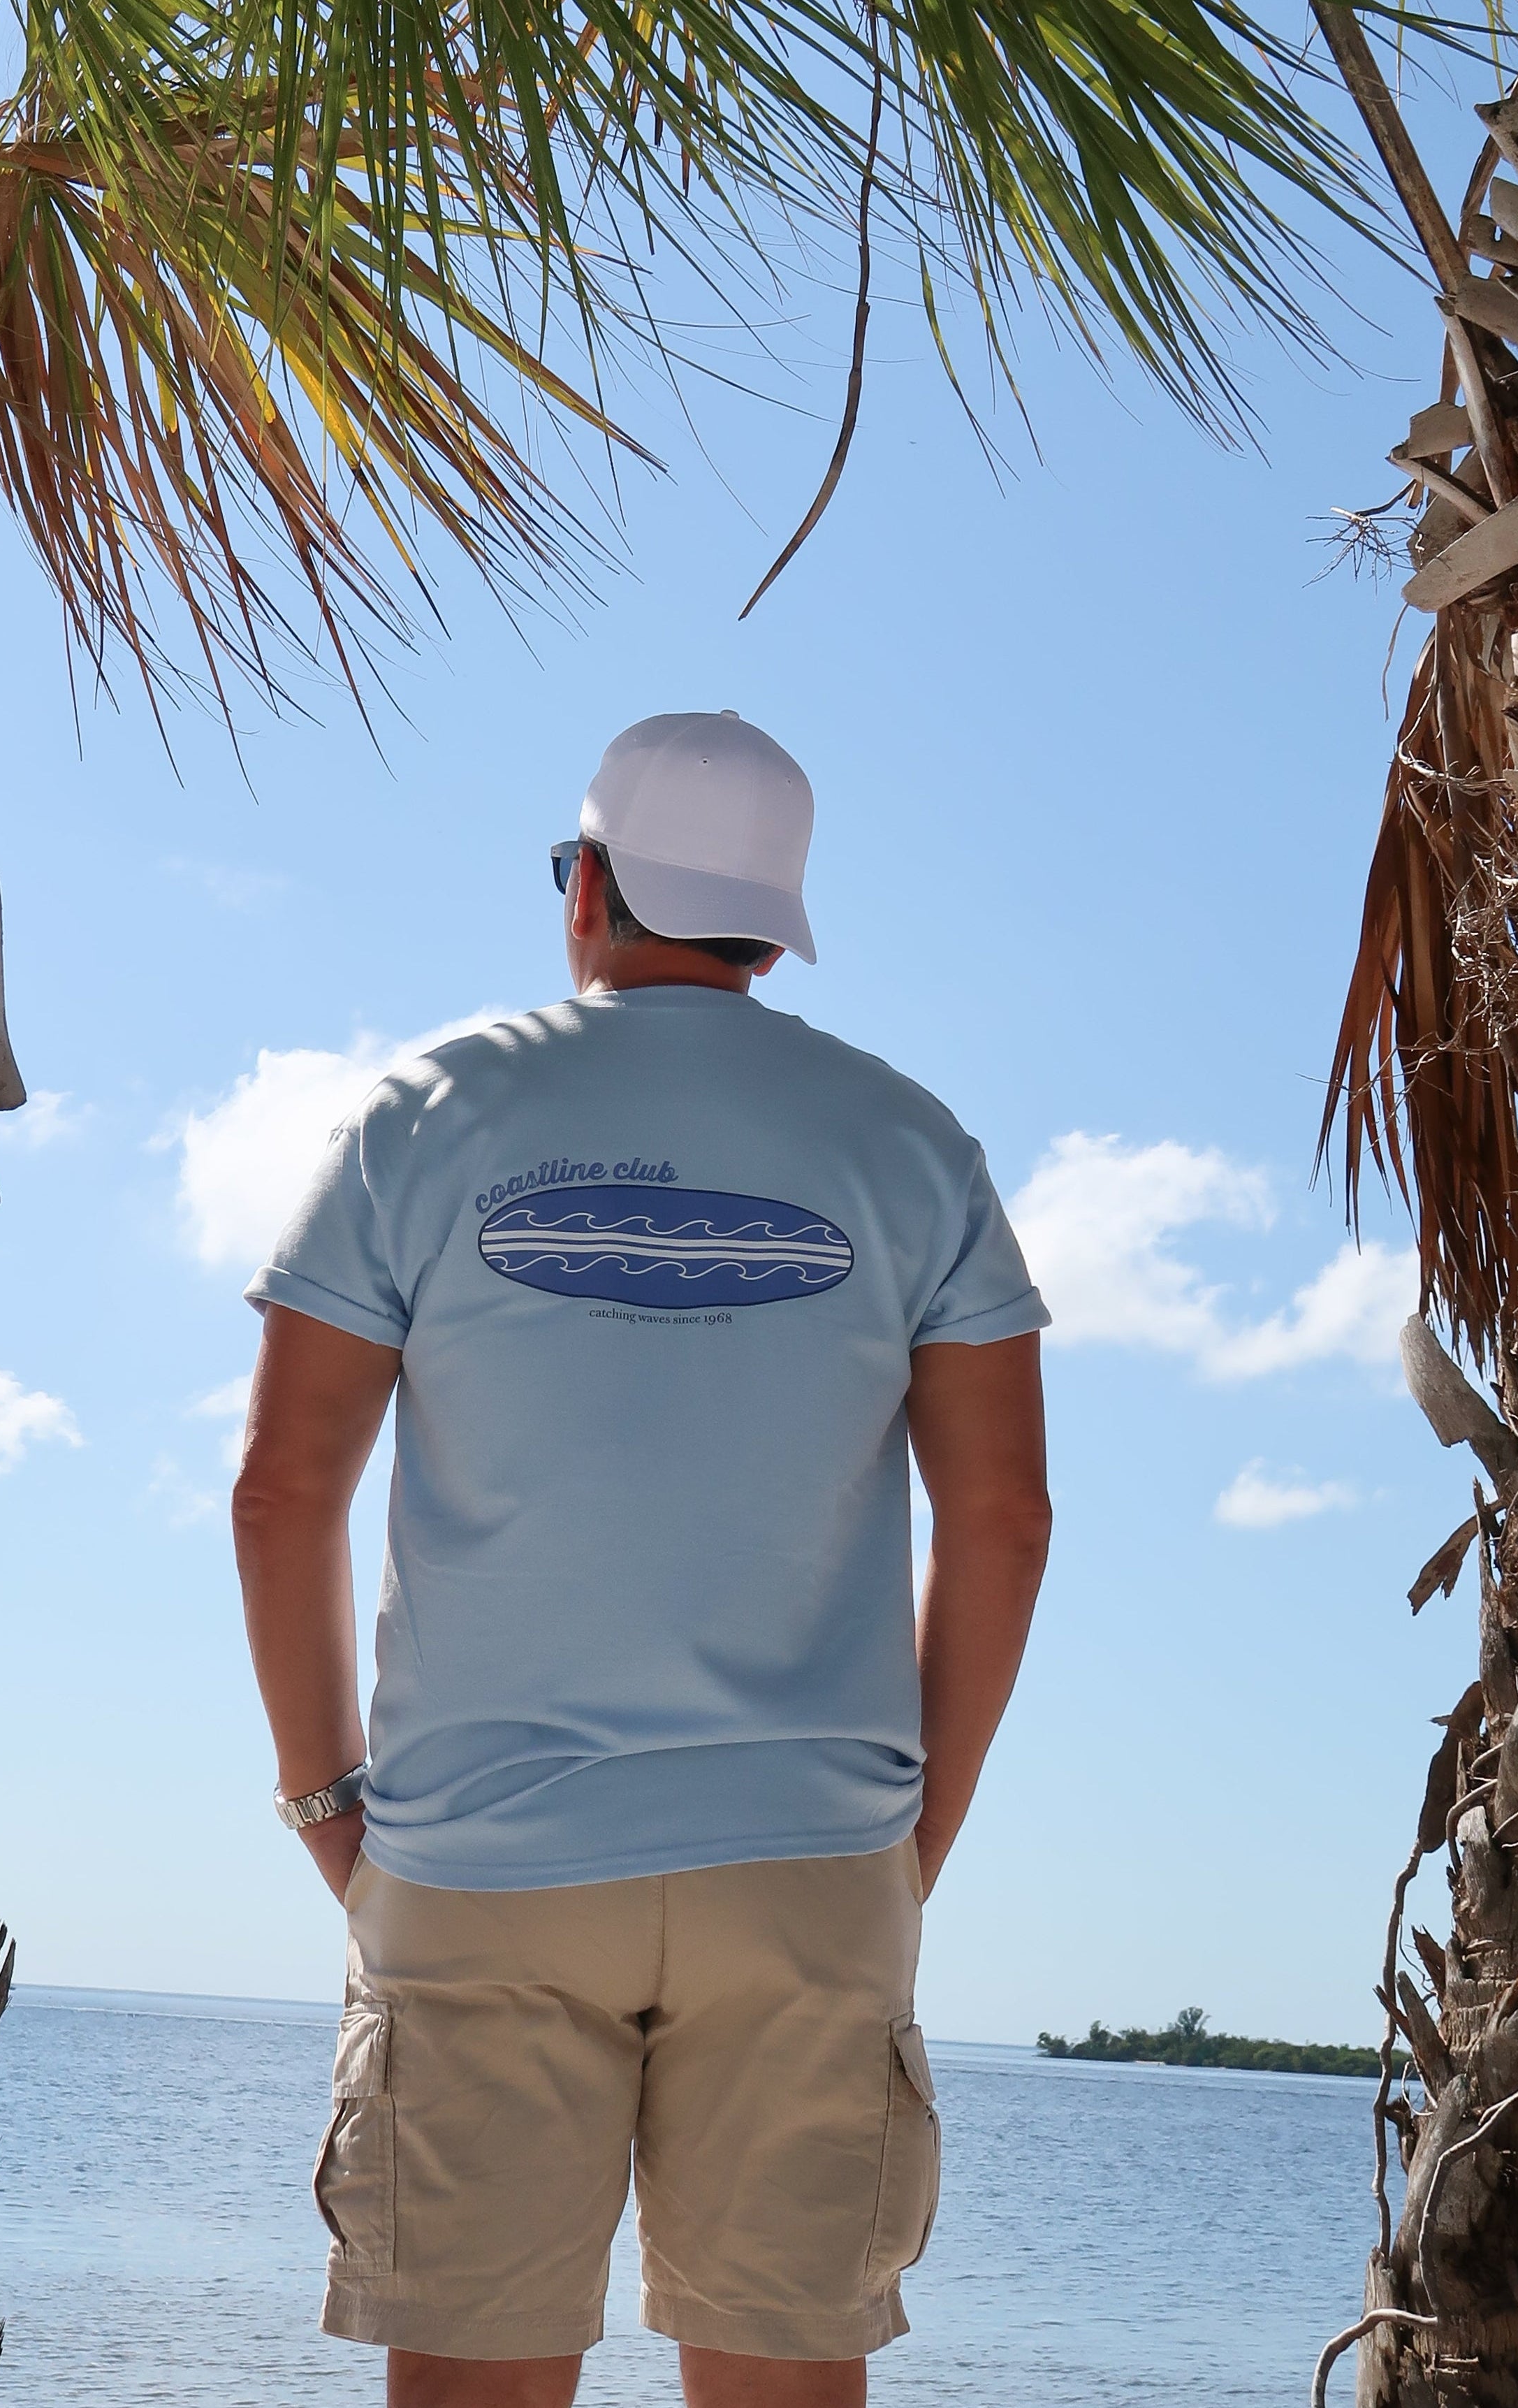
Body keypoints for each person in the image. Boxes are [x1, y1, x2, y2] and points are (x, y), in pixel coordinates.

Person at [232, 710, 1052, 2408]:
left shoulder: (425, 1113)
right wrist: (909, 1840)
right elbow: (1005, 1520)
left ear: (587, 887)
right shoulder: (911, 1145)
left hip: (482, 1863)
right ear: (770, 929)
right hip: (811, 1869)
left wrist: (331, 1808)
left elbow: (281, 1488)